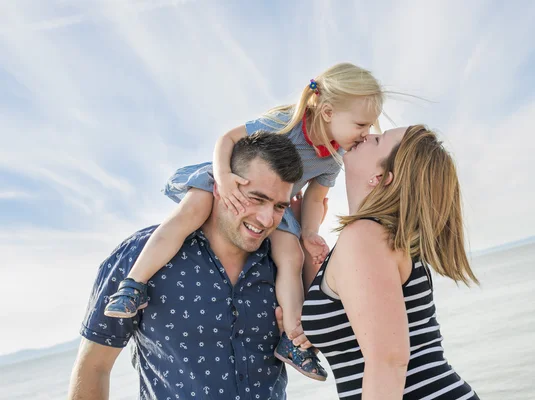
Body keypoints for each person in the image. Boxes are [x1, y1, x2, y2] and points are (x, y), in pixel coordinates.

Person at [103, 62, 384, 380]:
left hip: (275, 206)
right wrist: (223, 177)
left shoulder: (331, 158)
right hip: (232, 177)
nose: (366, 134)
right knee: (191, 212)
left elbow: (315, 199)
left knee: (291, 257)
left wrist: (308, 234)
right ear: (329, 112)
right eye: (362, 124)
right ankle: (134, 286)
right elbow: (227, 139)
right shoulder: (285, 121)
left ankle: (293, 340)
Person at [68, 132, 304, 400]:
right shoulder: (140, 256)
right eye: (256, 199)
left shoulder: (285, 268)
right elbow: (94, 366)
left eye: (278, 206)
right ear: (220, 186)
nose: (266, 218)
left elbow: (318, 343)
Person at [300, 126, 480, 399]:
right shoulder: (377, 237)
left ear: (381, 177)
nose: (367, 134)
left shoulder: (365, 237)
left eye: (378, 140)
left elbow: (388, 362)